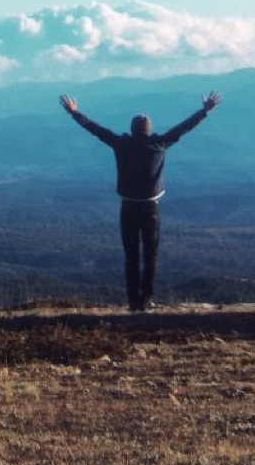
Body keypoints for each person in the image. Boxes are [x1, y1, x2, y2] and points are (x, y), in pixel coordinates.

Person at [59, 91, 222, 311]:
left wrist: (75, 113)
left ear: (132, 129)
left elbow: (96, 130)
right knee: (151, 254)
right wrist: (204, 111)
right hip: (151, 207)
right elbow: (183, 128)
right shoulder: (160, 144)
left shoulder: (121, 144)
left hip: (128, 206)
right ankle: (146, 299)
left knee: (132, 255)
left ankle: (133, 300)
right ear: (149, 130)